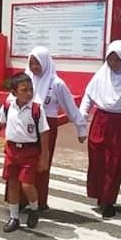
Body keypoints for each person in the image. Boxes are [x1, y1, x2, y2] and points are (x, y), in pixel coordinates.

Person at [79, 40, 121, 219]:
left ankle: (109, 200)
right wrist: (81, 117)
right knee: (97, 160)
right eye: (111, 59)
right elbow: (89, 95)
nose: (114, 64)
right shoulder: (102, 75)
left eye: (118, 60)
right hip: (101, 121)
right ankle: (99, 194)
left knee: (115, 164)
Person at [0, 73, 50, 232]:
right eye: (24, 90)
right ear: (14, 93)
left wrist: (44, 157)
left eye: (30, 89)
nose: (28, 93)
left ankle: (34, 209)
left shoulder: (36, 109)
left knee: (27, 185)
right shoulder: (8, 107)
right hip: (12, 151)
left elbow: (44, 133)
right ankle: (14, 217)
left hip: (29, 152)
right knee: (12, 184)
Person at [24, 46, 84, 211]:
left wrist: (81, 128)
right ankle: (22, 200)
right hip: (26, 127)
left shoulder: (57, 84)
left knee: (41, 164)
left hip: (47, 128)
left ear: (46, 63)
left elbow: (70, 108)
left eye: (38, 63)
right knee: (24, 163)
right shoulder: (26, 79)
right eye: (31, 63)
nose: (34, 67)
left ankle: (39, 202)